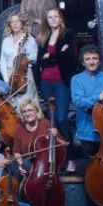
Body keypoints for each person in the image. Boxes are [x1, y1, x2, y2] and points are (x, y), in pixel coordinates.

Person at [36, 8, 74, 144]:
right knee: (51, 120)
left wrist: (50, 55)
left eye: (56, 16)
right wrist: (58, 53)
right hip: (45, 82)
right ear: (47, 20)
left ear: (60, 18)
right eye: (50, 17)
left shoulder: (67, 34)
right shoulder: (43, 36)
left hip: (61, 81)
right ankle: (59, 154)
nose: (53, 19)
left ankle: (70, 152)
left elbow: (69, 57)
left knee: (61, 118)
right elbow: (40, 60)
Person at [0, 13, 38, 104]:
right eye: (12, 22)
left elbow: (34, 58)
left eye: (17, 21)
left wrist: (24, 59)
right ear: (10, 25)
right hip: (9, 75)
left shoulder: (29, 39)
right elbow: (2, 62)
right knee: (13, 106)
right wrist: (6, 79)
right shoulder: (6, 40)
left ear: (22, 23)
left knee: (27, 104)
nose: (15, 24)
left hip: (24, 76)